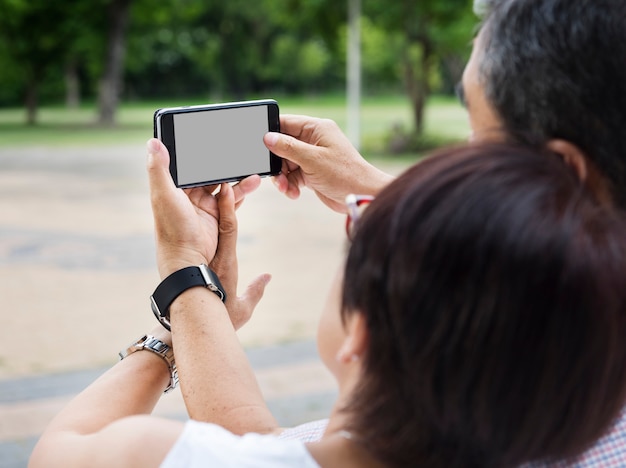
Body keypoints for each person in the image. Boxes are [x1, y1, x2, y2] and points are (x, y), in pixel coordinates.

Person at [30, 139, 626, 467]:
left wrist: (181, 281)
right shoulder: (579, 435)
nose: (356, 219)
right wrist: (199, 311)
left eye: (359, 231)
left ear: (360, 334)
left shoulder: (151, 457)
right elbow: (254, 445)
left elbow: (59, 453)